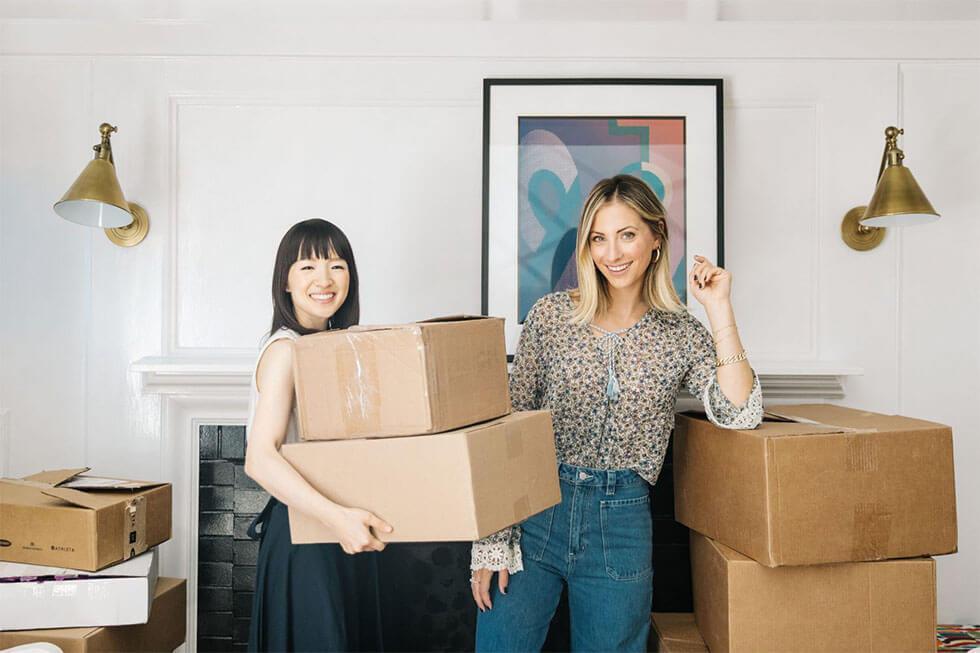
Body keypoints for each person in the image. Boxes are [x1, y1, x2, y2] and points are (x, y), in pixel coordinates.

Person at [470, 174, 764, 652]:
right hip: (536, 510)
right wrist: (490, 541)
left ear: (655, 238)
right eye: (599, 238)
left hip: (622, 521)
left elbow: (739, 412)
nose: (613, 253)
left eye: (627, 234)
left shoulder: (679, 332)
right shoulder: (550, 317)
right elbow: (509, 429)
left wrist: (719, 309)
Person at [244, 218, 392, 652]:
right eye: (307, 267)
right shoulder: (285, 350)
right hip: (305, 533)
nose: (324, 279)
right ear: (285, 282)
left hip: (340, 528)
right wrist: (337, 518)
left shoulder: (337, 346)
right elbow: (260, 457)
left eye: (336, 265)